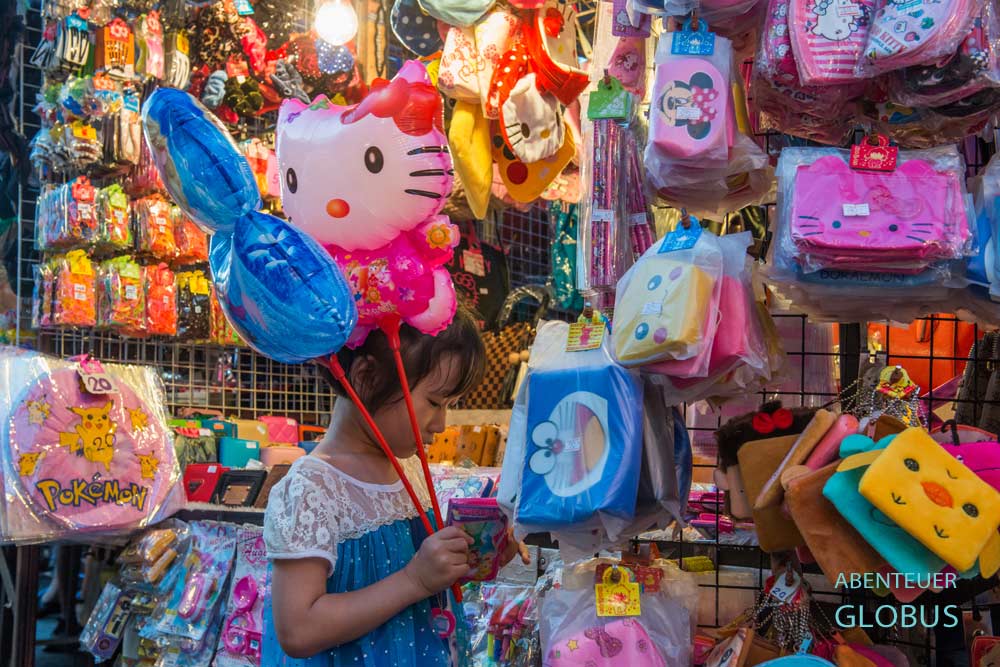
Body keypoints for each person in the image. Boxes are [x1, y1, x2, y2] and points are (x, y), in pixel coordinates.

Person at [262, 309, 528, 666]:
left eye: (450, 406)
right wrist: (415, 580)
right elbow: (298, 629)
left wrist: (475, 558)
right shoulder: (311, 489)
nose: (441, 424)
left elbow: (414, 588)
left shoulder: (409, 470)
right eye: (434, 403)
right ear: (366, 377)